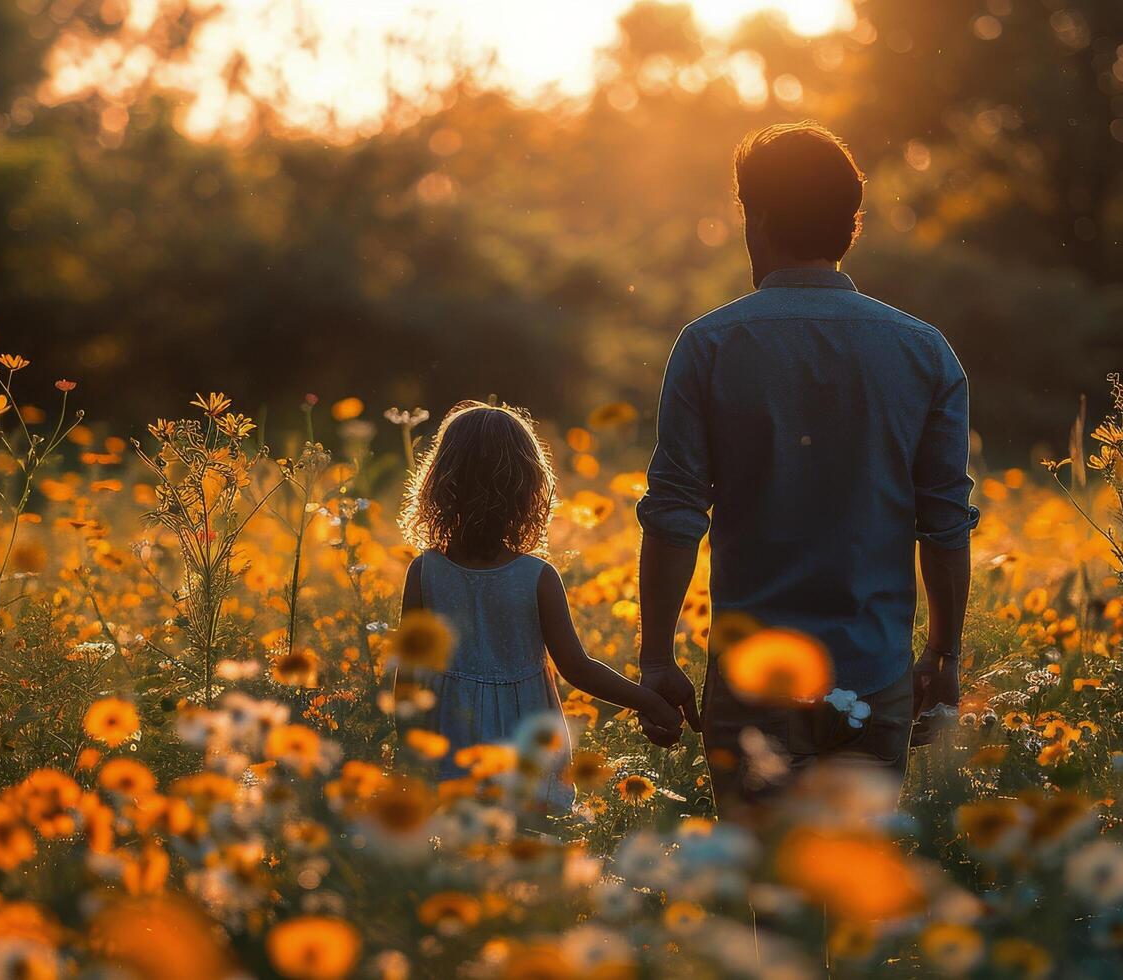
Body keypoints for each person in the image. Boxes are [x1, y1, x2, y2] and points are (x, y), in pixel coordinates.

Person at [635, 121, 977, 822]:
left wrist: (655, 658)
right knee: (852, 905)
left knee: (771, 907)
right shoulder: (923, 352)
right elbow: (943, 522)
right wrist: (942, 655)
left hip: (752, 683)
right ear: (849, 224)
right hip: (873, 676)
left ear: (754, 220)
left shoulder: (709, 346)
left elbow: (674, 515)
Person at [398, 401, 683, 807]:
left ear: (440, 483)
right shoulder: (536, 577)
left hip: (451, 740)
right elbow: (578, 669)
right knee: (533, 844)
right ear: (529, 491)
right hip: (527, 739)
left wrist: (409, 752)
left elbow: (408, 678)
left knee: (460, 847)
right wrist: (651, 702)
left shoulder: (423, 573)